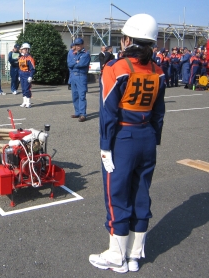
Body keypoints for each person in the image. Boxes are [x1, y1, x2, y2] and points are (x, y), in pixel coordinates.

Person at [90, 13, 166, 273]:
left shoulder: (115, 68)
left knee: (117, 195)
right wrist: (153, 138)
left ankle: (116, 256)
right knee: (141, 194)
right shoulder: (159, 71)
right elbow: (159, 112)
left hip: (123, 138)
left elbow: (108, 113)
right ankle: (134, 255)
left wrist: (104, 146)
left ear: (127, 40)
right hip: (146, 137)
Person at [67, 38, 90, 122]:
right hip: (73, 76)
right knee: (75, 96)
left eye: (79, 45)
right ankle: (77, 112)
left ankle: (83, 114)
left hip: (81, 76)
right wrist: (76, 62)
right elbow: (69, 64)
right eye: (76, 45)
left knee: (82, 96)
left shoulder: (86, 54)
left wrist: (76, 63)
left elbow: (81, 64)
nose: (77, 46)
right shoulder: (74, 53)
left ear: (82, 45)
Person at [18, 42, 35, 108]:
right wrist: (19, 75)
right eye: (22, 49)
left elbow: (32, 68)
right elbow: (19, 68)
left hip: (27, 74)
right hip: (22, 74)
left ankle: (28, 102)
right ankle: (24, 102)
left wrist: (30, 76)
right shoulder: (21, 58)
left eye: (24, 49)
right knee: (23, 89)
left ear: (27, 50)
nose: (22, 50)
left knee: (27, 89)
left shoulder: (30, 58)